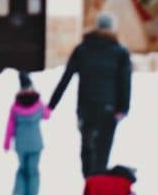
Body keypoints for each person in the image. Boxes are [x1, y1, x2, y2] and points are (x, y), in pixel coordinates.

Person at [48, 10, 132, 177]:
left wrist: (51, 105)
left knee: (87, 147)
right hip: (109, 109)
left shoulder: (82, 49)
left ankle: (89, 182)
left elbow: (66, 78)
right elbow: (125, 83)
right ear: (112, 28)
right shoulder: (120, 51)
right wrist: (123, 108)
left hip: (85, 108)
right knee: (102, 150)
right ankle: (97, 186)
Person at [3, 70, 50, 195]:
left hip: (21, 144)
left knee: (22, 169)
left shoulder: (15, 106)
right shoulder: (38, 104)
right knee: (33, 171)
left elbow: (10, 125)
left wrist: (6, 142)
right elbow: (47, 115)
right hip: (36, 144)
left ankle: (18, 193)